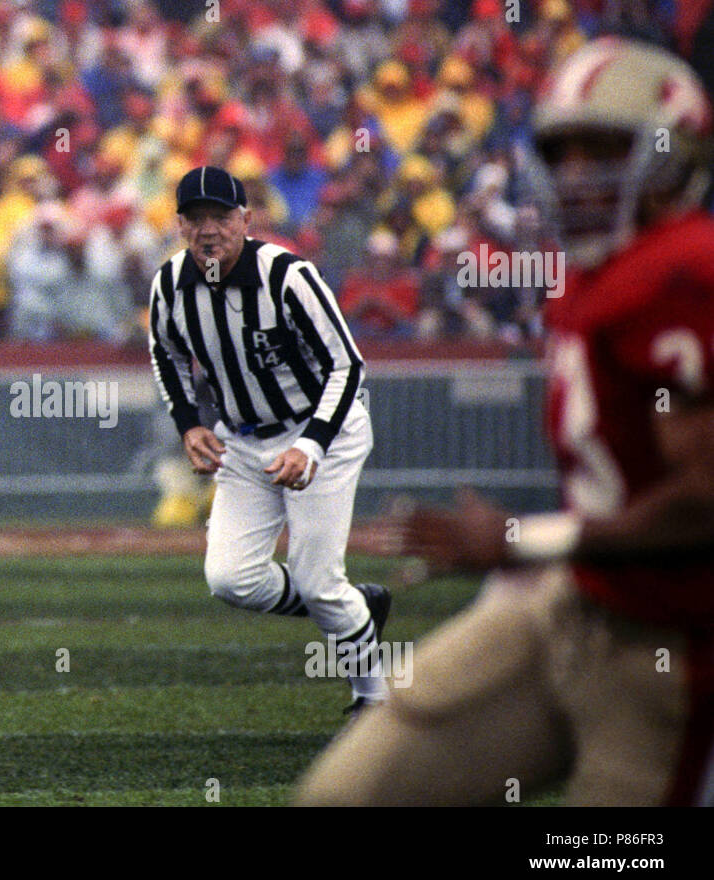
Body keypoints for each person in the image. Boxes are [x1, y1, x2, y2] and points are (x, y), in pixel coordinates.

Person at [296, 38, 714, 806]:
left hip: (670, 636)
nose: (580, 175)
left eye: (607, 150)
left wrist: (524, 539)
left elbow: (704, 500)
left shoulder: (687, 270)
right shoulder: (598, 273)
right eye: (566, 152)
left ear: (673, 156)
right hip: (572, 597)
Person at [148, 165, 391, 714]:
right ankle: (353, 607)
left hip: (319, 428)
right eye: (196, 218)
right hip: (242, 438)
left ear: (246, 219)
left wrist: (312, 445)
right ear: (181, 225)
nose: (209, 229)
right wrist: (189, 423)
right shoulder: (170, 284)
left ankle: (373, 699)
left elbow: (346, 365)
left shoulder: (287, 275)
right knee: (230, 579)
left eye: (221, 216)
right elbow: (165, 353)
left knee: (316, 579)